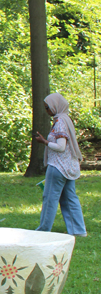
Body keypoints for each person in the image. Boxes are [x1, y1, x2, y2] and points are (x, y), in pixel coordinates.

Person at [34, 92, 86, 236]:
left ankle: (43, 230)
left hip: (57, 166)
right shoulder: (65, 119)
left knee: (49, 197)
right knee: (70, 198)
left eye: (47, 107)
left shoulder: (60, 122)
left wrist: (45, 142)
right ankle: (78, 230)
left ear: (55, 106)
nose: (46, 111)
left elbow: (61, 146)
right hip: (68, 166)